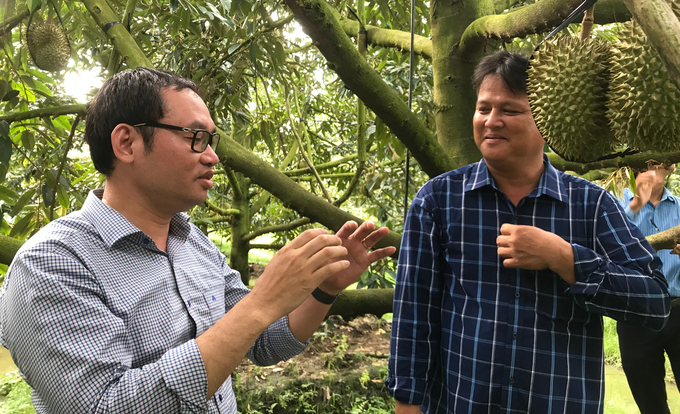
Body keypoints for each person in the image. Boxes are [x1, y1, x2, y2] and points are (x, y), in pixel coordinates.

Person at [0, 67, 396, 413]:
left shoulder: (194, 243)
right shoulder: (52, 264)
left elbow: (262, 343)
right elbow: (104, 405)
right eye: (195, 137)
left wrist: (322, 291)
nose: (212, 157)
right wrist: (261, 302)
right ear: (126, 143)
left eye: (211, 140)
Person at [386, 50, 670, 414]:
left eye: (509, 110)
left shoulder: (590, 205)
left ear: (545, 120)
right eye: (483, 108)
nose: (491, 121)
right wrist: (406, 403)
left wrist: (565, 258)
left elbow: (656, 303)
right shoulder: (438, 201)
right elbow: (414, 312)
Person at [616, 164, 680, 414]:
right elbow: (606, 246)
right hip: (635, 316)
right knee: (650, 404)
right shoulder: (615, 206)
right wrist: (636, 203)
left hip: (678, 309)